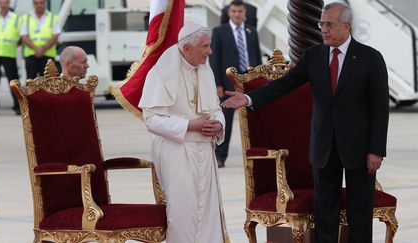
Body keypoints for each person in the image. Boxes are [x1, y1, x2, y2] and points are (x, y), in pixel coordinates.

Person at [221, 2, 389, 242]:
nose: (324, 29)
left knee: (360, 213)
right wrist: (248, 97)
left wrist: (376, 150)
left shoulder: (370, 58)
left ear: (346, 26)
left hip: (359, 149)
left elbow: (380, 109)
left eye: (329, 24)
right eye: (321, 24)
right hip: (323, 147)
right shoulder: (314, 56)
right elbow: (283, 85)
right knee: (325, 212)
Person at [139, 23, 229, 243]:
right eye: (205, 46)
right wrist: (190, 125)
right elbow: (151, 120)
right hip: (176, 150)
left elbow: (215, 108)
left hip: (204, 150)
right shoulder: (161, 72)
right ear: (187, 48)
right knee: (182, 212)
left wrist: (218, 124)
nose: (210, 51)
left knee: (207, 212)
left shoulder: (205, 69)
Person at [210, 0, 262, 167]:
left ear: (244, 12)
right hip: (227, 85)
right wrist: (218, 84)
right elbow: (214, 59)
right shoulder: (219, 32)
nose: (237, 14)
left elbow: (257, 57)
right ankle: (220, 156)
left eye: (240, 11)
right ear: (229, 13)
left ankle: (258, 155)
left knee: (255, 122)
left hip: (249, 83)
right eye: (234, 11)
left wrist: (259, 79)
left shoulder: (251, 32)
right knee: (224, 122)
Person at [0, 0, 21, 116]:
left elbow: (22, 37)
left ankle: (18, 107)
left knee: (13, 82)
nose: (4, 3)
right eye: (2, 1)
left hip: (9, 53)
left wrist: (13, 46)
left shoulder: (16, 18)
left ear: (9, 3)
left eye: (6, 1)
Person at [20, 0, 60, 79]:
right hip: (31, 56)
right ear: (33, 4)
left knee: (49, 85)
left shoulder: (53, 17)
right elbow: (24, 37)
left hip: (48, 57)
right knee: (31, 84)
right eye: (36, 3)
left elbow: (55, 36)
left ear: (44, 3)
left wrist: (43, 49)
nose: (39, 5)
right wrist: (36, 49)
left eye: (41, 3)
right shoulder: (25, 18)